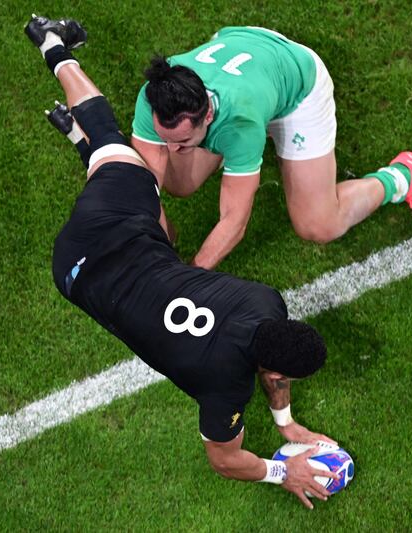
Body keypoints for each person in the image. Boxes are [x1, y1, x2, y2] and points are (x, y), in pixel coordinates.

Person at [24, 15, 341, 508]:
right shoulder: (223, 384)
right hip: (76, 271)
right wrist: (284, 471)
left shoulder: (263, 300)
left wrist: (287, 423)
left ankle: (55, 55)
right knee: (142, 197)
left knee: (115, 148)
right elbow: (225, 460)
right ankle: (78, 130)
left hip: (115, 227)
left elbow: (270, 362)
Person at [131, 27, 412, 270]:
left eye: (182, 141)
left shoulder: (241, 124)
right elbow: (145, 190)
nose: (172, 150)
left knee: (318, 224)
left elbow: (234, 221)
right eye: (167, 139)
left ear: (208, 115)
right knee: (178, 181)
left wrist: (189, 277)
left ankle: (402, 177)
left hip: (296, 85)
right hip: (242, 51)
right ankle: (235, 154)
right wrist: (160, 247)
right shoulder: (155, 96)